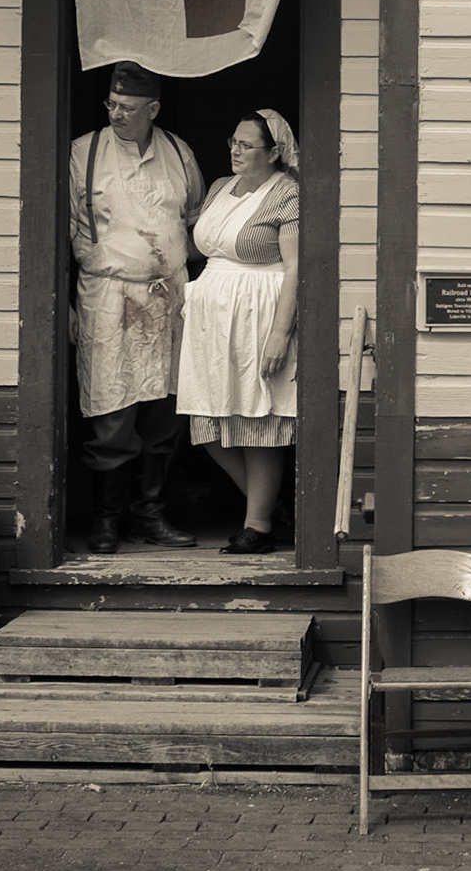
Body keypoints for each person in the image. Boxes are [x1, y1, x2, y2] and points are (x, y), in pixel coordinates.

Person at [68, 61, 205, 554]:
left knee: (165, 410)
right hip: (108, 294)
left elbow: (196, 222)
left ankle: (150, 515)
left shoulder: (179, 153)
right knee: (112, 411)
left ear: (153, 109)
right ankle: (107, 519)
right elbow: (58, 231)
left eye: (127, 107)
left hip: (169, 296)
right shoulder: (83, 153)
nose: (116, 113)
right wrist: (65, 305)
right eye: (111, 104)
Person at [176, 109, 300, 555]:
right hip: (210, 322)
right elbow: (200, 248)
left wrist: (281, 333)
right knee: (207, 422)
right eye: (233, 141)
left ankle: (259, 524)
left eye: (246, 144)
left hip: (257, 315)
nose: (235, 150)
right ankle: (275, 506)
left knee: (256, 420)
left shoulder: (288, 194)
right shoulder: (218, 188)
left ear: (275, 151)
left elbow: (296, 268)